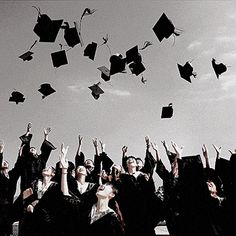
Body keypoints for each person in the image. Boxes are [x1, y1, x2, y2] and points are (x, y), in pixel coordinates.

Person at [60, 143, 124, 236]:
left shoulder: (112, 219)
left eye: (106, 185)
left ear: (112, 194)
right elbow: (66, 195)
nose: (102, 186)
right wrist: (64, 170)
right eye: (102, 185)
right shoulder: (86, 207)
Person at [19, 166, 61, 236]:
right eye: (45, 168)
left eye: (48, 168)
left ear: (53, 174)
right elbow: (26, 197)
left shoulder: (55, 186)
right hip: (32, 215)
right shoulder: (34, 183)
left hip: (46, 217)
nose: (45, 168)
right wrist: (28, 204)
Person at [18, 123, 56, 192]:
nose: (32, 149)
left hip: (38, 184)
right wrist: (28, 132)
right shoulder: (26, 159)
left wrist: (46, 136)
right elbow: (25, 146)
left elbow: (45, 149)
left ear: (36, 151)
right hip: (26, 183)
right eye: (31, 149)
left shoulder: (41, 159)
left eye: (34, 149)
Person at [0, 141, 22, 236]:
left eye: (6, 162)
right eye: (3, 162)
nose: (4, 162)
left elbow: (18, 167)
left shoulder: (12, 175)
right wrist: (1, 151)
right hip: (0, 203)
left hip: (9, 204)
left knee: (7, 227)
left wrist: (19, 155)